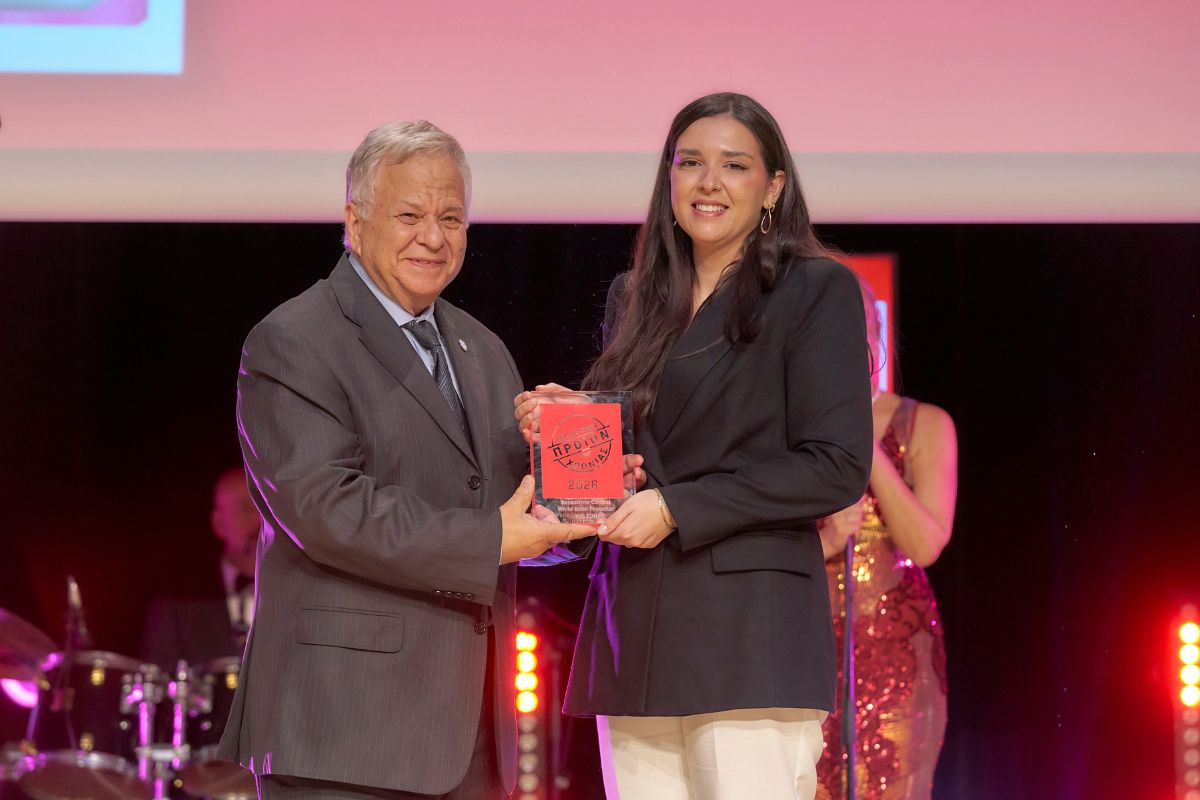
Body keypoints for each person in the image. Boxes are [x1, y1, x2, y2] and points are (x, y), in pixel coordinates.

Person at [216, 120, 596, 800]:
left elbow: (505, 510)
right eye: (410, 215)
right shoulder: (294, 339)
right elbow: (328, 509)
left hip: (471, 735)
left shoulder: (483, 349)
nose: (434, 237)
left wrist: (583, 484)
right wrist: (493, 537)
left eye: (451, 217)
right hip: (344, 734)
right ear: (354, 223)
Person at [515, 92, 874, 800]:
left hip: (750, 636)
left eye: (734, 165)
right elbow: (642, 459)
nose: (709, 183)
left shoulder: (814, 289)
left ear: (772, 187)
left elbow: (835, 466)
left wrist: (677, 508)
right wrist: (576, 429)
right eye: (690, 163)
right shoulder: (635, 297)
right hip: (635, 628)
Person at [814, 279, 958, 800]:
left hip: (896, 656)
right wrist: (826, 542)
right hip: (802, 649)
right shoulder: (786, 427)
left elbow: (925, 545)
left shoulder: (924, 423)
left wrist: (866, 445)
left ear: (875, 336)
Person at [141, 466, 259, 669]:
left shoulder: (301, 589)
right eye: (246, 508)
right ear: (218, 523)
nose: (259, 519)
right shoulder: (176, 601)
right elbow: (157, 675)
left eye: (266, 508)